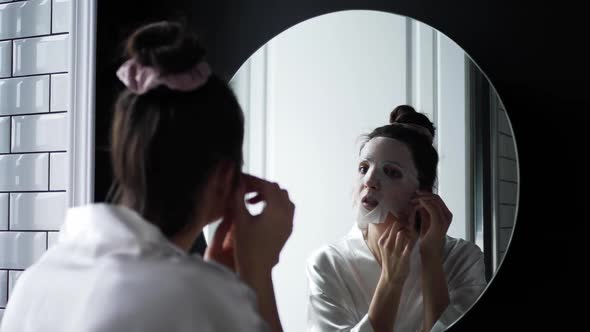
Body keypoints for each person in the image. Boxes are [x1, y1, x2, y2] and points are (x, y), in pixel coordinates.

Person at [1, 21, 294, 332]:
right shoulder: (199, 296)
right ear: (225, 176)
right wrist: (258, 271)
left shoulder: (37, 279)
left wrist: (214, 278)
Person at [306, 105, 487, 332]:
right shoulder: (327, 262)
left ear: (422, 192)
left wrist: (431, 258)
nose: (369, 181)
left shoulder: (462, 258)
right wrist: (391, 282)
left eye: (391, 172)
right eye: (364, 168)